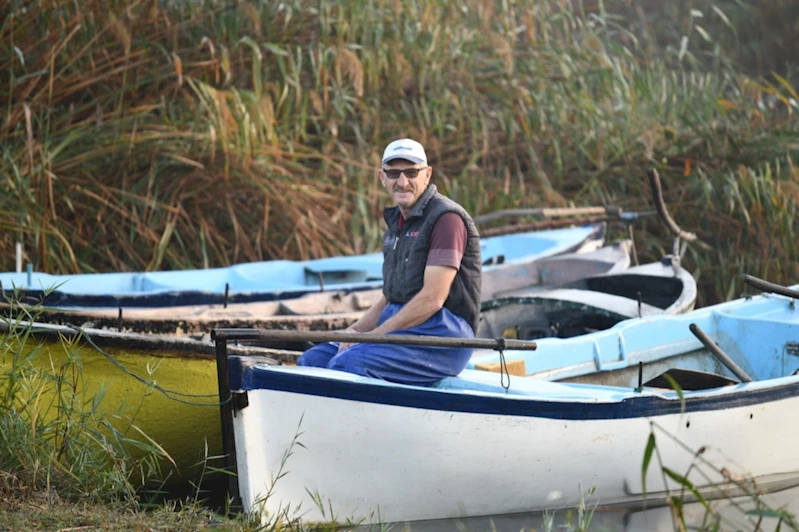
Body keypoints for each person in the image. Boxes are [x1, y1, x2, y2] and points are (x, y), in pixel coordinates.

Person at [297, 138, 482, 385]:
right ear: (382, 177)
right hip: (402, 329)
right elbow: (389, 298)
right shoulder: (396, 225)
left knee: (346, 364)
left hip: (444, 337)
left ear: (427, 175)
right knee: (312, 360)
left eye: (411, 172)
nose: (402, 182)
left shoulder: (446, 219)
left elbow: (433, 299)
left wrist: (373, 337)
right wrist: (353, 332)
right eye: (393, 173)